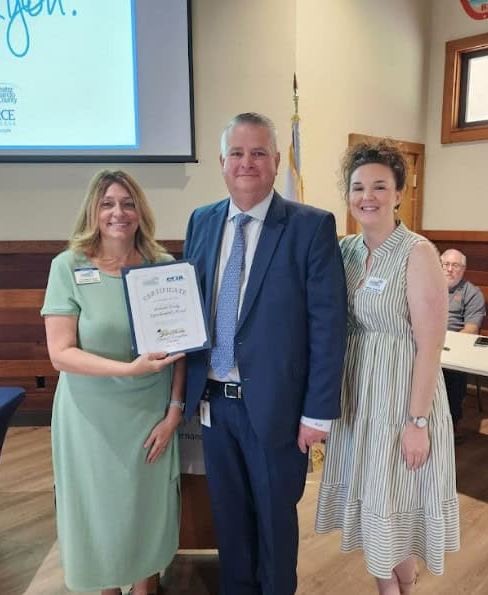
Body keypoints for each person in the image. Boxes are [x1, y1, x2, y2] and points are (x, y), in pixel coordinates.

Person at [183, 112, 347, 595]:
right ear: (221, 162)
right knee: (229, 524)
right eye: (237, 153)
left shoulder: (310, 227)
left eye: (258, 153)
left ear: (277, 162)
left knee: (275, 525)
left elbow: (328, 326)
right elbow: (189, 305)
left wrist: (318, 412)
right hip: (214, 404)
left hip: (278, 409)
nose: (247, 163)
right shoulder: (202, 221)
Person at [316, 140, 459, 594]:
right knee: (373, 502)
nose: (367, 196)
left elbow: (431, 343)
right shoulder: (347, 251)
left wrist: (417, 421)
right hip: (360, 397)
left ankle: (393, 587)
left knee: (392, 500)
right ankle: (401, 582)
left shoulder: (418, 253)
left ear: (399, 192)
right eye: (358, 187)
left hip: (402, 398)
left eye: (380, 185)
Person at [41, 170, 185, 595]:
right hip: (89, 418)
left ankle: (144, 587)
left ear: (140, 211)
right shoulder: (68, 267)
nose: (118, 213)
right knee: (99, 511)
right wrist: (128, 370)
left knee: (144, 507)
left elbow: (182, 350)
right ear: (93, 210)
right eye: (107, 203)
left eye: (127, 203)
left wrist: (174, 413)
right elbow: (60, 353)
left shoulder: (164, 267)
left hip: (149, 415)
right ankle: (107, 588)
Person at [440, 248, 486, 443]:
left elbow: (471, 330)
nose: (450, 269)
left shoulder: (473, 293)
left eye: (456, 265)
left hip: (454, 347)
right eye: (446, 265)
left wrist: (444, 343)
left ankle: (451, 423)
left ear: (463, 269)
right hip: (423, 341)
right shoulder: (426, 286)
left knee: (452, 372)